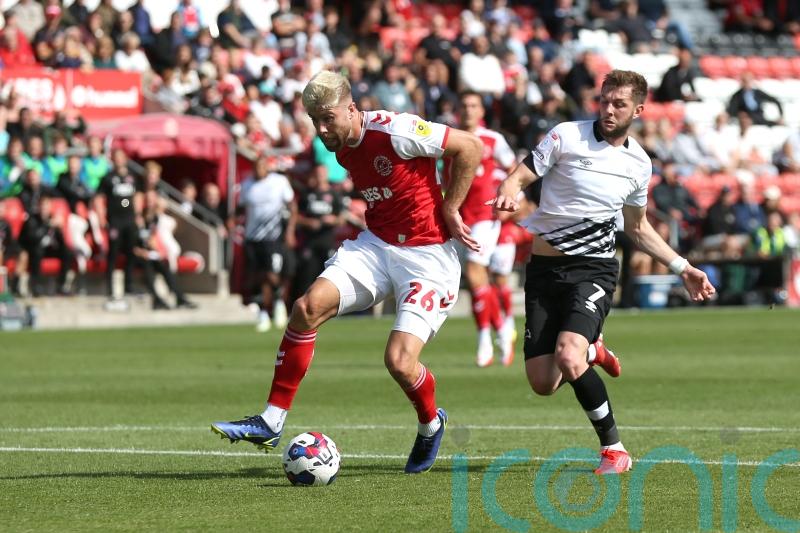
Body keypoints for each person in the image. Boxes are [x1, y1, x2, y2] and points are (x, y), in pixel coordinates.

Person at [212, 70, 483, 474]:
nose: (322, 130)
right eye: (315, 122)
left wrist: (450, 206)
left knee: (399, 362)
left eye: (328, 119)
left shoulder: (395, 129)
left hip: (428, 255)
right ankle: (271, 420)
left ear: (352, 109)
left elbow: (470, 147)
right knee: (306, 307)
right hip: (376, 245)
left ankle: (430, 425)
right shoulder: (339, 147)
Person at [490, 70, 715, 474]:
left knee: (567, 355)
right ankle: (594, 349)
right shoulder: (566, 135)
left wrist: (683, 267)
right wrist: (510, 188)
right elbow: (524, 173)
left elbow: (638, 228)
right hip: (542, 270)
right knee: (542, 382)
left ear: (639, 110)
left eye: (619, 104)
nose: (608, 110)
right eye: (604, 101)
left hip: (593, 270)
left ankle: (614, 449)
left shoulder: (638, 164)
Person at [448, 91, 517, 367]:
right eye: (463, 105)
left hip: (485, 214)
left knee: (476, 272)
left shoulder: (492, 139)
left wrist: (510, 199)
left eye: (473, 105)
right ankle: (498, 330)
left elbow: (514, 170)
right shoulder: (449, 136)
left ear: (481, 111)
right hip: (457, 215)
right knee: (476, 279)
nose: (468, 109)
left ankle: (487, 339)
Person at [238, 155, 297, 333]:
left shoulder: (279, 182)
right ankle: (264, 311)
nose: (258, 170)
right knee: (259, 276)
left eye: (261, 167)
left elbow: (292, 206)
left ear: (267, 167)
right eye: (255, 167)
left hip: (273, 237)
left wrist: (290, 231)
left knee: (272, 275)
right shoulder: (247, 185)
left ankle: (277, 303)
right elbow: (242, 207)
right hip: (252, 238)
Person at [95, 149, 142, 299]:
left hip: (129, 219)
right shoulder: (108, 178)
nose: (118, 160)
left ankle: (129, 285)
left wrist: (138, 214)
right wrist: (102, 217)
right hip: (115, 220)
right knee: (113, 253)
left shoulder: (132, 177)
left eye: (121, 158)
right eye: (116, 158)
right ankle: (110, 287)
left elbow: (137, 196)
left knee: (130, 252)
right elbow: (98, 198)